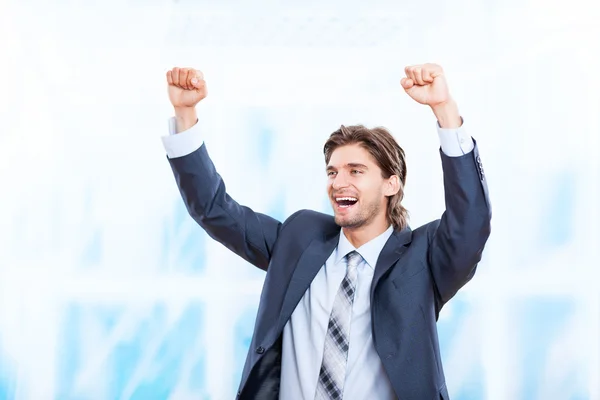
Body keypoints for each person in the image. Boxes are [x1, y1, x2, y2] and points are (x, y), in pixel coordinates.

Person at [161, 63, 491, 400]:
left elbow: (470, 223)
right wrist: (185, 113)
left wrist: (444, 110)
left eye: (355, 171)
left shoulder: (423, 259)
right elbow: (216, 211)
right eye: (332, 172)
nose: (338, 182)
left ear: (391, 184)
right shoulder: (299, 238)